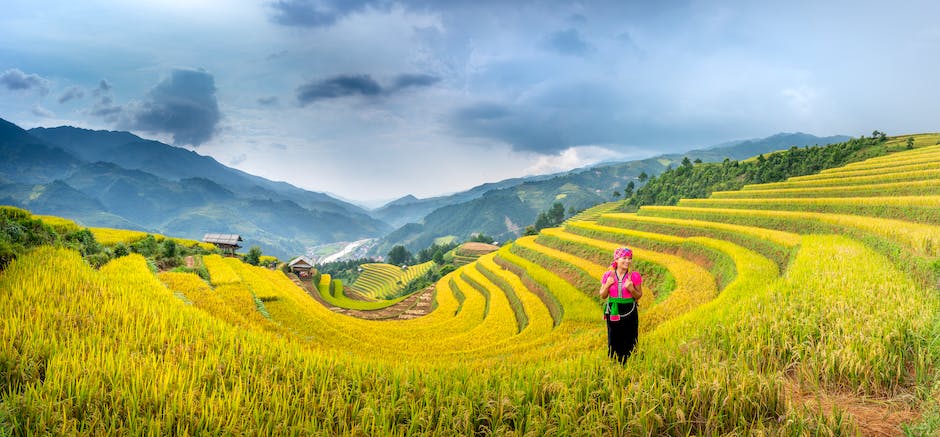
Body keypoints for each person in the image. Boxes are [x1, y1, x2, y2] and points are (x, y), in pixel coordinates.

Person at [598, 247, 643, 363]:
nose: (627, 261)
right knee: (613, 338)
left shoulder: (634, 276)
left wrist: (631, 288)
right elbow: (603, 295)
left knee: (630, 337)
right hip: (613, 310)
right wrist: (607, 285)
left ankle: (630, 363)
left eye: (630, 259)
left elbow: (638, 295)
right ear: (617, 259)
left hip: (630, 310)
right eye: (624, 258)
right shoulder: (608, 275)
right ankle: (614, 363)